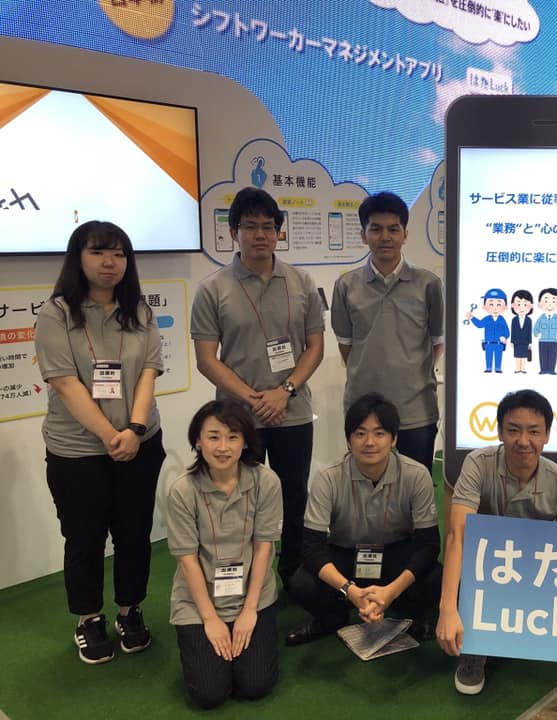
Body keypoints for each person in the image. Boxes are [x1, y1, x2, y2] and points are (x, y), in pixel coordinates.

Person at [35, 220, 166, 665]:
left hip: (140, 442)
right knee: (84, 538)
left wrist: (135, 430)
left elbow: (148, 371)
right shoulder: (56, 313)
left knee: (134, 533)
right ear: (78, 258)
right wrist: (111, 436)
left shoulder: (139, 310)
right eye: (98, 252)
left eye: (119, 253)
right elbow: (64, 382)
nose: (110, 262)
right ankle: (88, 618)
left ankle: (130, 610)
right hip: (77, 451)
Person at [191, 187, 325, 589]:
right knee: (239, 499)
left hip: (292, 411)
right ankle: (248, 579)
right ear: (234, 232)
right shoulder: (213, 288)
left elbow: (315, 347)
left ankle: (294, 576)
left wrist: (284, 390)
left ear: (279, 232)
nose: (260, 235)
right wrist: (253, 398)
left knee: (294, 496)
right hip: (238, 419)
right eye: (250, 226)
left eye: (268, 226)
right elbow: (206, 359)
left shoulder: (301, 282)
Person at [436, 389, 557, 695]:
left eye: (534, 431)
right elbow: (457, 536)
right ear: (500, 431)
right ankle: (474, 652)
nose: (523, 441)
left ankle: (535, 636)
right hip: (486, 567)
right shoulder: (478, 464)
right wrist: (447, 607)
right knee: (465, 570)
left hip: (533, 570)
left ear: (547, 435)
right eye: (513, 430)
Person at [285, 392, 442, 646]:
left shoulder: (416, 475)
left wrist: (391, 591)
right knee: (302, 583)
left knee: (437, 578)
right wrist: (351, 591)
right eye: (360, 433)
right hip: (346, 554)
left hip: (395, 553)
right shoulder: (328, 478)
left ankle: (407, 613)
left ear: (394, 438)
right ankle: (333, 618)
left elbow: (429, 545)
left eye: (379, 433)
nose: (370, 442)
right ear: (348, 440)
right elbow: (312, 548)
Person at [166, 400, 281, 709]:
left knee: (255, 685)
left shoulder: (266, 481)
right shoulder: (182, 490)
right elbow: (187, 559)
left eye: (233, 436)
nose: (223, 447)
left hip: (252, 595)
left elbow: (264, 547)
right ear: (197, 441)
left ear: (245, 442)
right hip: (199, 601)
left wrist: (249, 610)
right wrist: (211, 619)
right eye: (213, 436)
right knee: (209, 694)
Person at [331, 191, 444, 475]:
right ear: (363, 234)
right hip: (363, 409)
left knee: (416, 487)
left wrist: (410, 372)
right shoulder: (346, 286)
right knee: (365, 487)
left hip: (416, 410)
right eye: (376, 229)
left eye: (393, 229)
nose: (385, 237)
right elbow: (346, 345)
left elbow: (437, 342)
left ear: (405, 234)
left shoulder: (428, 284)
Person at [466, 288, 510, 373]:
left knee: (498, 355)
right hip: (488, 343)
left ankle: (498, 368)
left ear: (505, 307)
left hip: (499, 343)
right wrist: (472, 318)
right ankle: (488, 368)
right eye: (491, 304)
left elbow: (507, 331)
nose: (495, 308)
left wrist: (504, 337)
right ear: (484, 307)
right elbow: (479, 324)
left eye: (498, 304)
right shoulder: (487, 319)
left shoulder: (502, 320)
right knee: (488, 355)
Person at [533, 288, 557, 375]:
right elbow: (536, 327)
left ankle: (551, 369)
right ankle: (543, 369)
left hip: (554, 341)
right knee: (542, 355)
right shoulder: (541, 318)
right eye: (546, 301)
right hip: (542, 340)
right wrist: (536, 334)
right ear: (540, 304)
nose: (549, 304)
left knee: (553, 355)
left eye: (553, 301)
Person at [509, 289, 534, 373]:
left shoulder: (529, 320)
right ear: (513, 305)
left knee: (523, 356)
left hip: (525, 341)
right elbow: (512, 330)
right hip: (516, 341)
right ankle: (517, 368)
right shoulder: (514, 320)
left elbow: (529, 332)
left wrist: (530, 342)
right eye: (519, 304)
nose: (522, 308)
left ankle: (523, 368)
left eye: (525, 304)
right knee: (517, 355)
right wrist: (512, 341)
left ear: (531, 306)